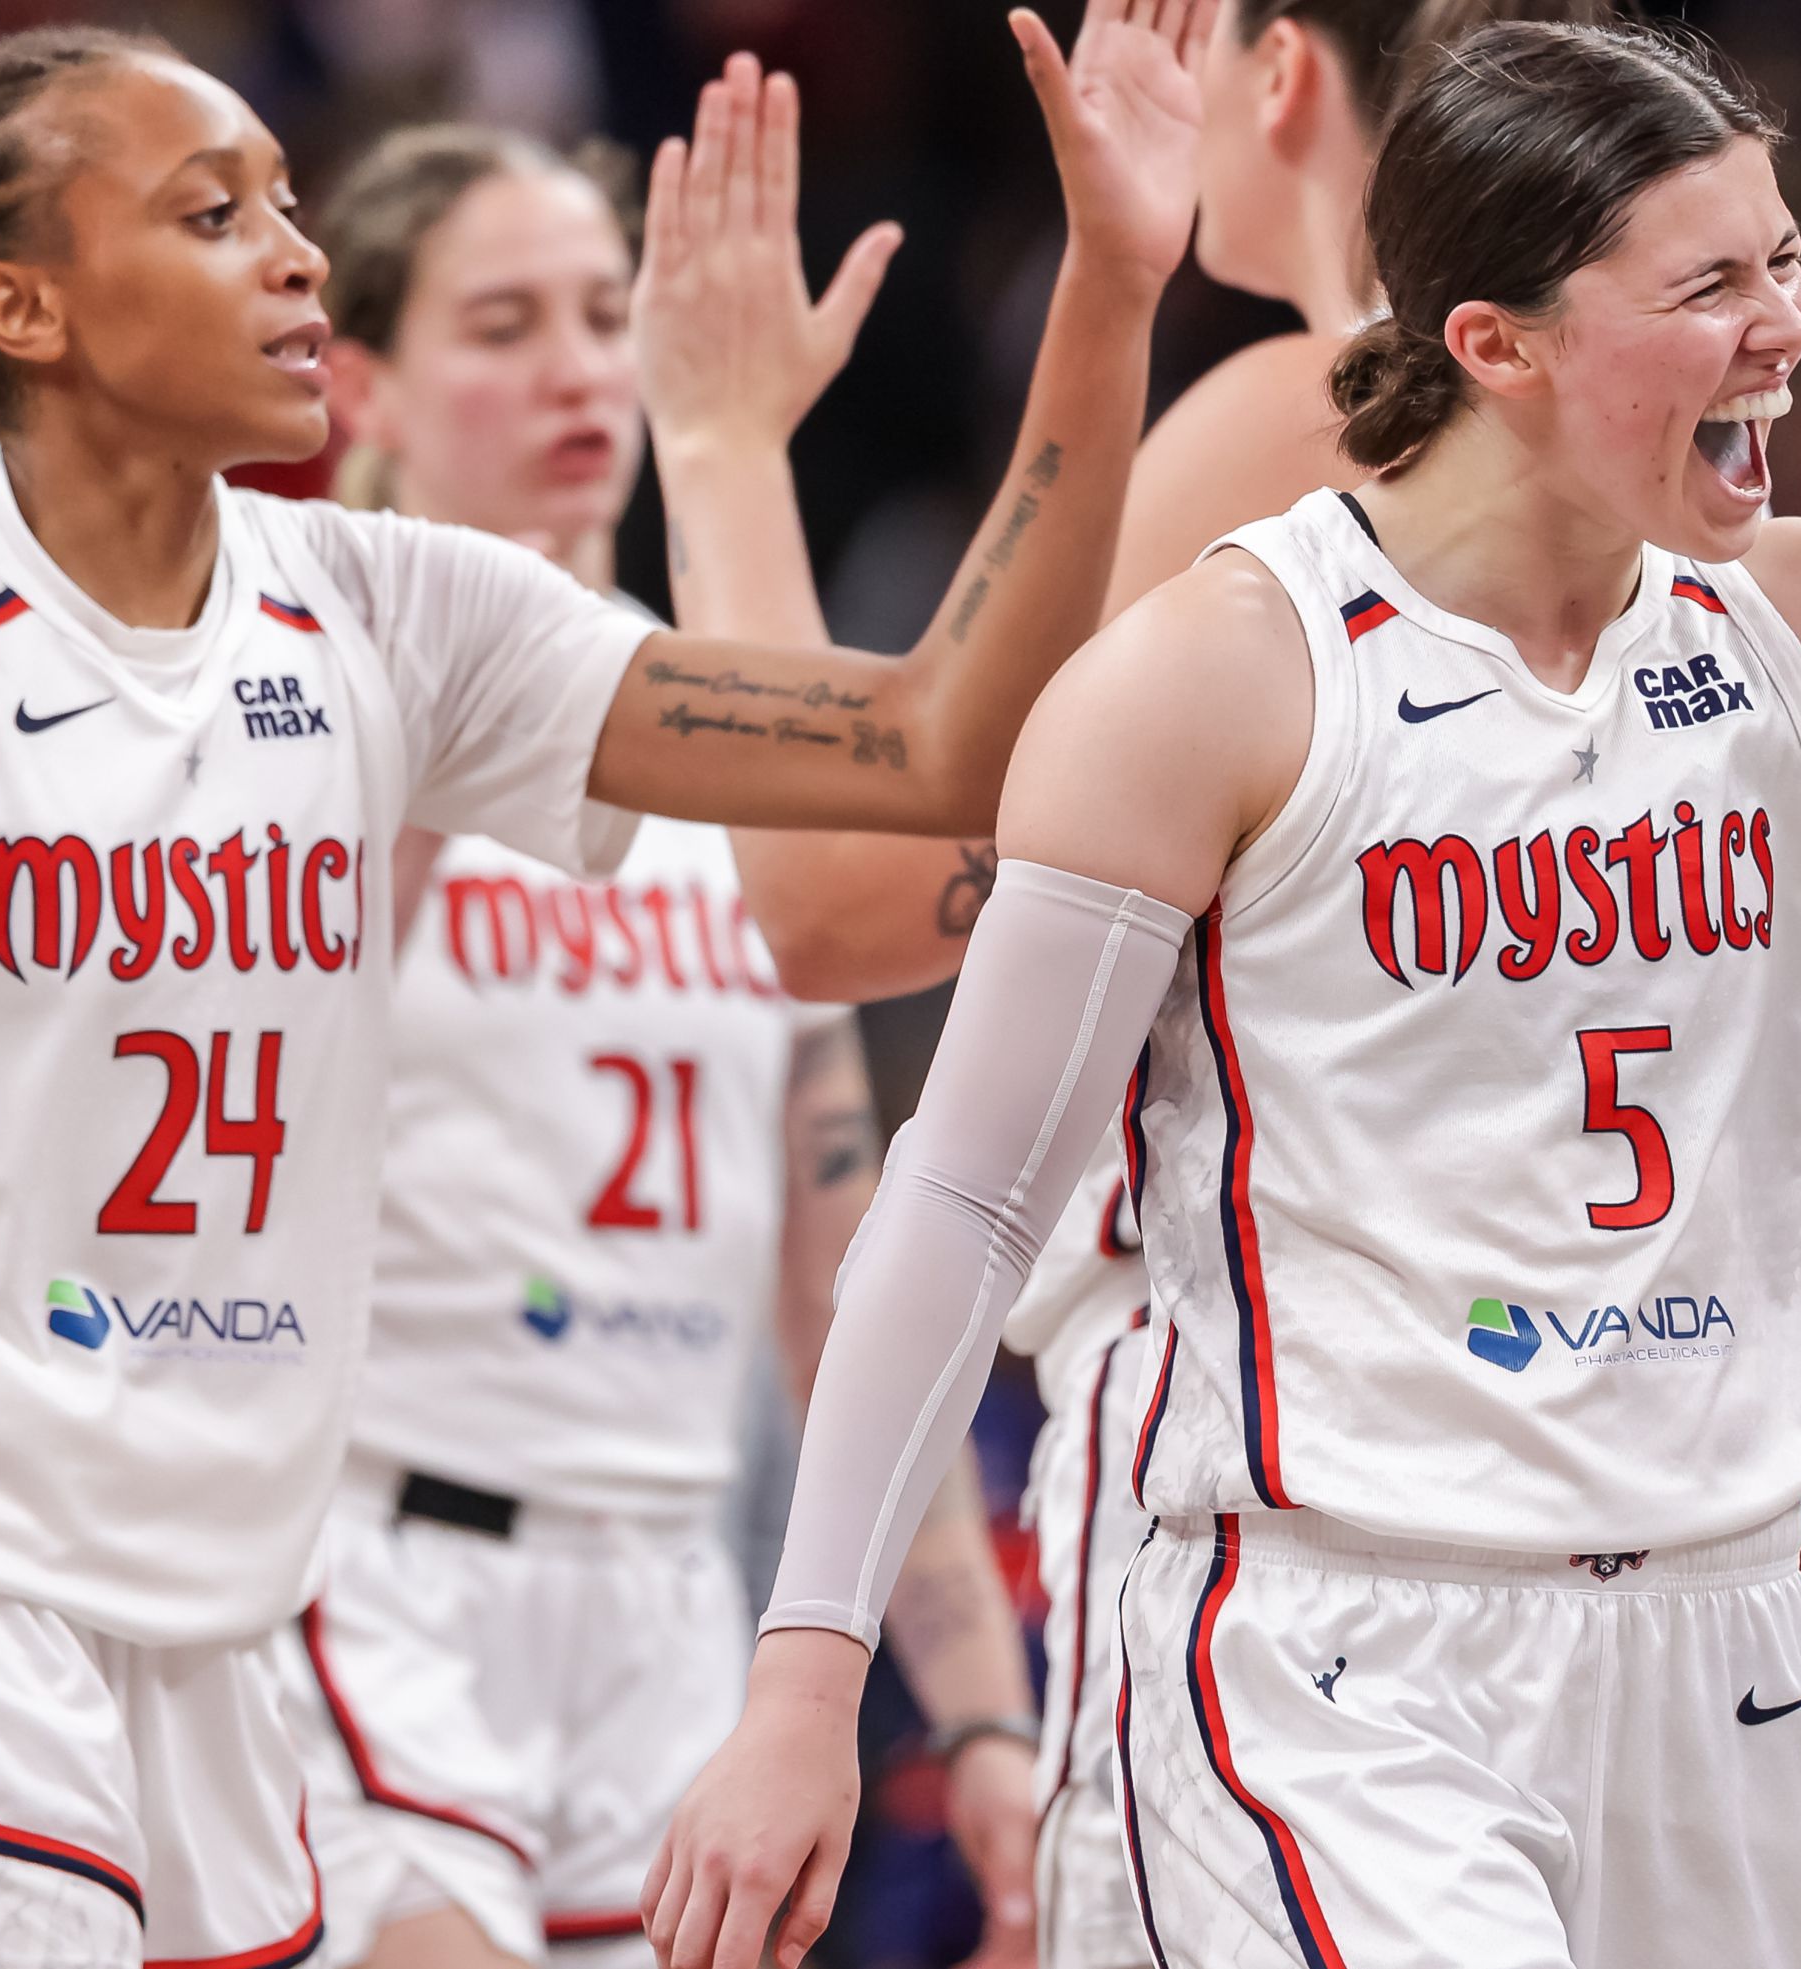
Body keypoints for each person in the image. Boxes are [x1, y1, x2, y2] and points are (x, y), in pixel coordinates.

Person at [649, 5, 1801, 1964]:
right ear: (1495, 346)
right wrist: (806, 1678)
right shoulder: (1221, 675)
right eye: (1712, 284)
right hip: (1338, 1631)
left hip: (1719, 1631)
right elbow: (968, 1195)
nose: (1785, 327)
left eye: (1786, 259)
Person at [0, 9, 1196, 1964]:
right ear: (22, 305)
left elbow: (926, 748)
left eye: (290, 205)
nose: (293, 252)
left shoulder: (396, 618)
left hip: (232, 1597)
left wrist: (1105, 286)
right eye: (210, 212)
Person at [682, 5, 1606, 1961]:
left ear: (1277, 80)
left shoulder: (1309, 416)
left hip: (1298, 1521)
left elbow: (828, 897)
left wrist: (719, 444)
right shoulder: (1633, 440)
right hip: (1621, 1506)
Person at [281, 125, 1041, 1969]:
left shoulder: (729, 757)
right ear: (362, 374)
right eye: (503, 321)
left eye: (611, 315)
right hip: (360, 1561)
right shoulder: (304, 688)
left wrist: (983, 1710)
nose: (574, 366)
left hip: (665, 1591)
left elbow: (842, 1276)